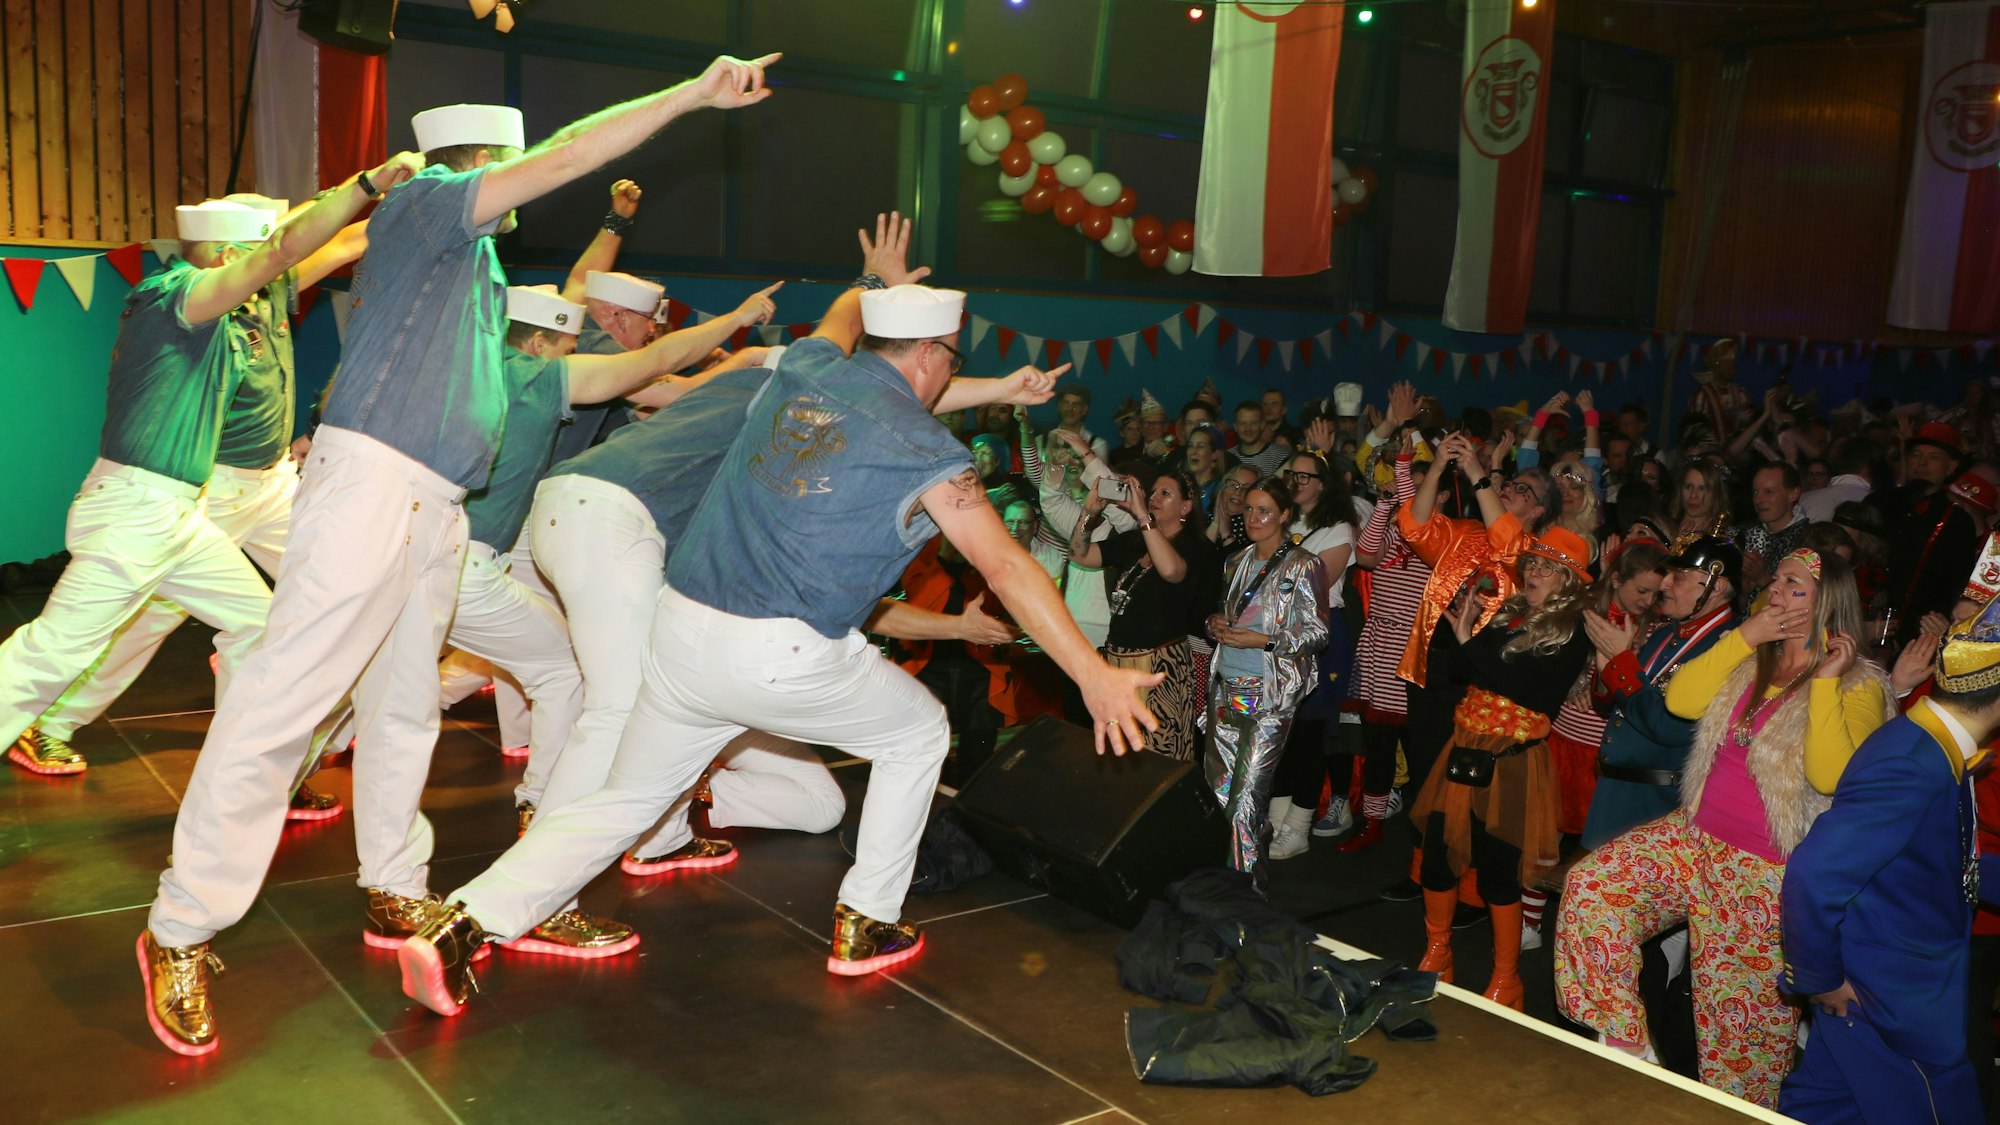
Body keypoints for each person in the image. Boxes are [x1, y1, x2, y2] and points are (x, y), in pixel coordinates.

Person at [138, 54, 785, 1057]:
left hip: (432, 503)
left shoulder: (476, 268)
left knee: (402, 703)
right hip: (372, 484)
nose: (520, 183)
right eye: (507, 167)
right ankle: (179, 928)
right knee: (283, 700)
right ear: (477, 160)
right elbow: (576, 153)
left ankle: (394, 883)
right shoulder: (435, 203)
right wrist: (692, 95)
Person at [395, 281, 1162, 1018]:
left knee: (623, 799)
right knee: (919, 730)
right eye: (952, 362)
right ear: (929, 355)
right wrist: (1092, 674)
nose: (948, 377)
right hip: (779, 651)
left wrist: (872, 283)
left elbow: (839, 311)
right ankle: (868, 919)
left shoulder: (811, 361)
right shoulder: (928, 447)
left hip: (682, 630)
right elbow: (1008, 564)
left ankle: (463, 922)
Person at [1, 181, 410, 782]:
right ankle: (52, 724)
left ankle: (246, 770)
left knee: (255, 623)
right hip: (139, 504)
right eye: (262, 247)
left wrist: (415, 191)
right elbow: (280, 252)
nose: (278, 257)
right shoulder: (176, 295)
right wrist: (368, 183)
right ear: (227, 255)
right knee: (56, 649)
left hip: (180, 510)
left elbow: (326, 245)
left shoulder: (244, 296)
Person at [1556, 549, 1893, 1107]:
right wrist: (1746, 636)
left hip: (1764, 876)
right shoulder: (1748, 656)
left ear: (1826, 605)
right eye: (1777, 580)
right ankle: (1627, 1047)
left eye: (1795, 585)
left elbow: (1831, 774)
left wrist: (1828, 679)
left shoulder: (1861, 685)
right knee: (1593, 889)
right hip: (1691, 838)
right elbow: (1683, 700)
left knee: (1740, 1050)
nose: (1777, 589)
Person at [1776, 599, 2000, 1125]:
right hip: (1892, 1003)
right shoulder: (1913, 763)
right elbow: (1813, 875)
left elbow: (1934, 861)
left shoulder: (1932, 743)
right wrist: (1820, 979)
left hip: (1872, 993)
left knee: (1819, 1111)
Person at [1411, 528, 1594, 1010]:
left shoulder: (1574, 632)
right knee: (1437, 857)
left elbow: (1527, 691)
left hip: (1512, 763)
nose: (1532, 572)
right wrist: (1464, 634)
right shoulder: (1511, 614)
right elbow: (1457, 669)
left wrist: (1470, 640)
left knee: (1497, 873)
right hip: (1466, 745)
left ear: (1571, 583)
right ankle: (1438, 951)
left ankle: (1507, 978)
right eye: (1531, 563)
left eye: (1547, 567)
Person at [1203, 476, 1328, 891]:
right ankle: (1254, 848)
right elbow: (1224, 612)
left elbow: (1317, 633)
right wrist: (1214, 623)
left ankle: (1243, 896)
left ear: (1285, 515)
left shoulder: (1305, 564)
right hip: (1226, 686)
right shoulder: (1235, 561)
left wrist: (1267, 640)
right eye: (1250, 509)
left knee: (1245, 802)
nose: (1254, 518)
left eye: (1264, 511)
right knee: (1222, 791)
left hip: (1270, 693)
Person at [1579, 537, 1741, 850]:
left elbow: (1668, 726)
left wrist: (1621, 662)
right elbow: (1615, 705)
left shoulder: (1727, 649)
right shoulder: (1669, 631)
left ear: (1716, 586)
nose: (1664, 584)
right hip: (1616, 795)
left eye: (1678, 577)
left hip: (1655, 808)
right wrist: (1608, 663)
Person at [1067, 467, 1219, 761]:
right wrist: (1089, 510)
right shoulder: (1134, 541)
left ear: (1186, 507)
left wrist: (1143, 517)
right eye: (1152, 493)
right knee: (1120, 754)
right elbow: (1079, 554)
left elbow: (1172, 571)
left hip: (1161, 668)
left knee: (1159, 757)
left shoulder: (1195, 548)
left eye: (1166, 493)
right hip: (1118, 663)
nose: (1154, 498)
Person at [1265, 449, 1367, 860]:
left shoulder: (1338, 529)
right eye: (1291, 474)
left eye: (1305, 477)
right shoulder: (1285, 521)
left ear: (1324, 485)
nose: (1296, 482)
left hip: (1319, 633)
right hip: (1278, 631)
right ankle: (1277, 820)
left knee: (1308, 733)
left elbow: (1313, 587)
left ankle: (1300, 826)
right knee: (1283, 731)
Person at [1885, 422, 1981, 646]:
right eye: (1916, 454)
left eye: (1933, 457)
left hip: (1917, 633)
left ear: (1951, 467)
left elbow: (1954, 585)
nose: (1922, 462)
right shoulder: (1884, 503)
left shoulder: (1956, 521)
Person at [1737, 461, 1810, 593]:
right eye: (1755, 492)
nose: (1758, 499)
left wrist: (1763, 578)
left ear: (1793, 494)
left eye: (1769, 492)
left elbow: (1803, 596)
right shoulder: (1744, 534)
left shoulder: (1807, 540)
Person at [1671, 460, 1730, 540]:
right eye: (1688, 487)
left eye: (1702, 489)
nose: (1693, 495)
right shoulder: (1663, 527)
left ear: (1716, 494)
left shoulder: (1727, 537)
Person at [1231, 400, 1290, 478]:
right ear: (1235, 427)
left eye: (1253, 423)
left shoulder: (1280, 457)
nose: (1248, 428)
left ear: (1262, 425)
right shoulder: (1227, 458)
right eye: (1243, 423)